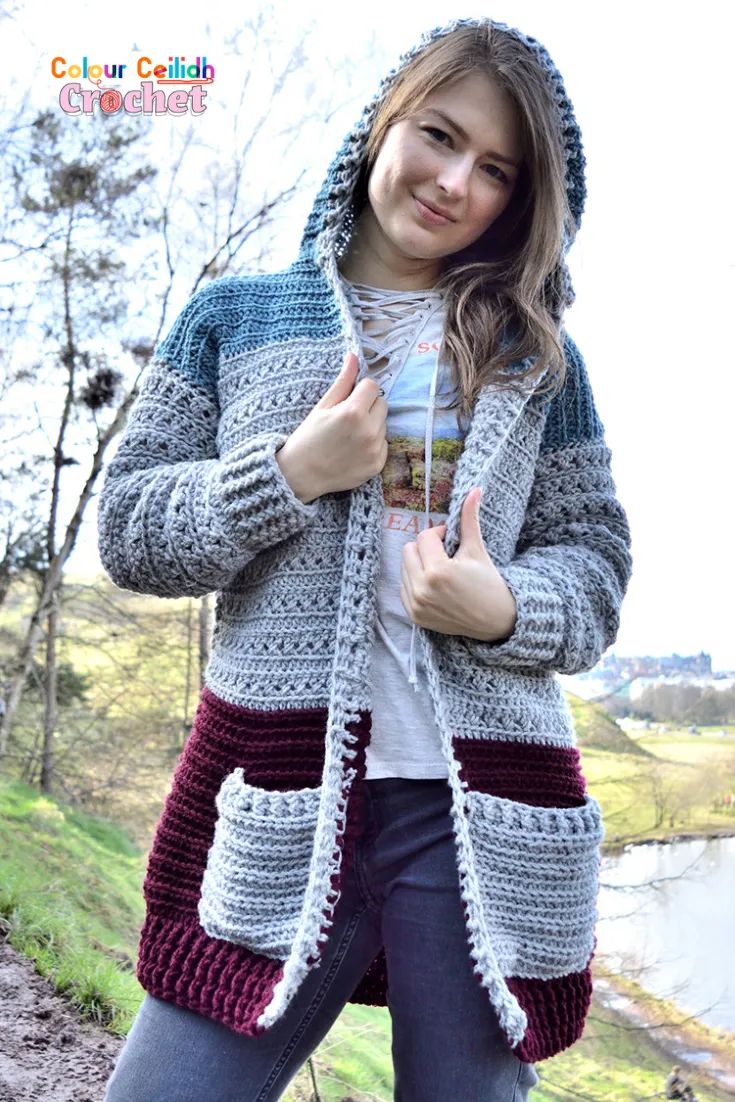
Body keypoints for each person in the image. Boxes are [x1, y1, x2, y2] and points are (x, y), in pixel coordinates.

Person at [99, 16, 633, 1102]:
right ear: (381, 124)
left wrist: (505, 608)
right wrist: (288, 473)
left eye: (496, 171)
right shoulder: (234, 319)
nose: (453, 182)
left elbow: (595, 558)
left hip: (482, 811)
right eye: (438, 135)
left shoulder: (535, 355)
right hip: (276, 790)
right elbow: (130, 527)